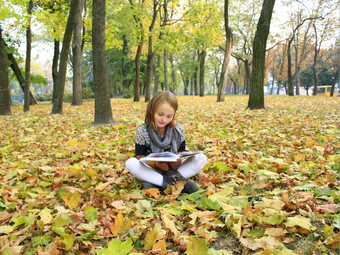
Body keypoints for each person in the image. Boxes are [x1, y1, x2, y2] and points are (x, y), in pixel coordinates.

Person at [125, 91, 207, 194]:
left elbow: (182, 151)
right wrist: (155, 164)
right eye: (160, 114)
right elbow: (139, 156)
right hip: (152, 169)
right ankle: (176, 183)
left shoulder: (178, 129)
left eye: (169, 116)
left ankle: (158, 183)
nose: (163, 119)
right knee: (130, 163)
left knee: (202, 158)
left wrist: (180, 160)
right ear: (152, 110)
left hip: (174, 168)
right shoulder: (143, 131)